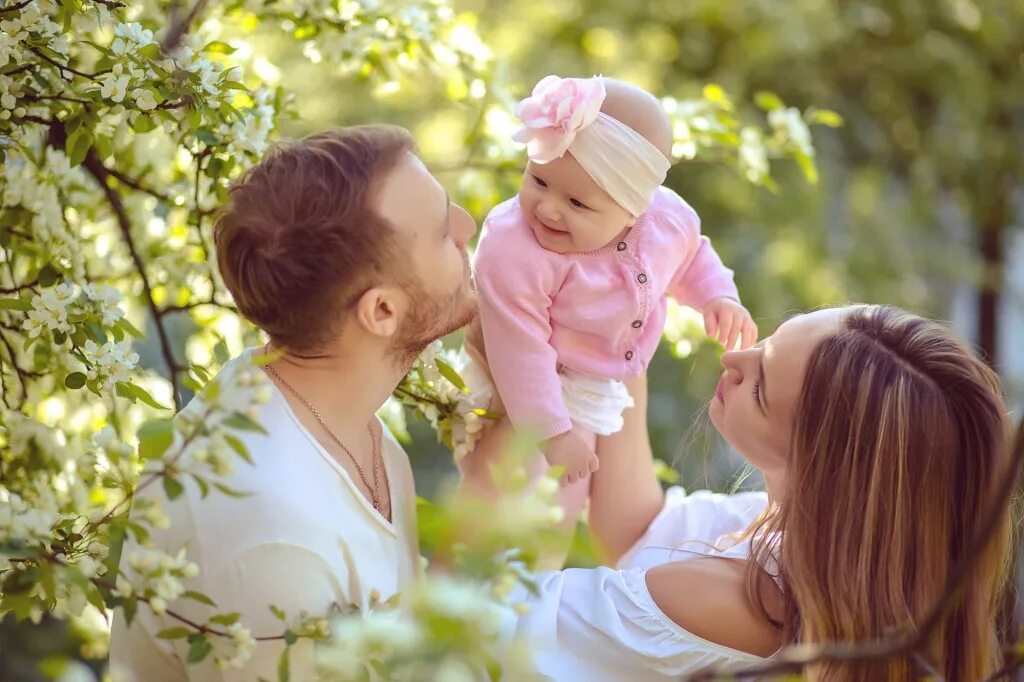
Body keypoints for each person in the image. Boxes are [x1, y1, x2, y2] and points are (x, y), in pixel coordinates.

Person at [109, 125, 478, 680]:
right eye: (444, 230)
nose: (470, 227)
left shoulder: (344, 424)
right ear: (380, 312)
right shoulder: (272, 532)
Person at [507, 304, 1013, 681]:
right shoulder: (798, 545)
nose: (732, 357)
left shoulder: (745, 605)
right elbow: (635, 528)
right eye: (767, 341)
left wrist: (513, 405)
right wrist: (623, 325)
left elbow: (485, 627)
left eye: (760, 387)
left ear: (816, 470)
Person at [460, 74, 757, 532]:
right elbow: (519, 350)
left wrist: (717, 296)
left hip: (599, 378)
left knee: (585, 497)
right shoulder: (514, 248)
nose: (548, 209)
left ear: (636, 207)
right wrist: (552, 432)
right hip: (534, 381)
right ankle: (491, 588)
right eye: (538, 180)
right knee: (530, 506)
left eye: (577, 202)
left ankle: (535, 587)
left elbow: (692, 254)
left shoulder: (667, 220)